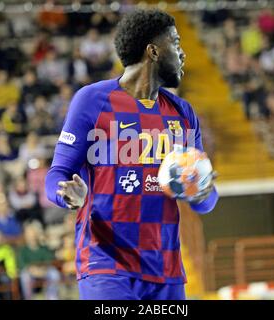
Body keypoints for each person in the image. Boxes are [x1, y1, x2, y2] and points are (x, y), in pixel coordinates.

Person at [45, 9, 218, 300]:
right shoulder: (92, 101)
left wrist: (202, 192)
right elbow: (57, 175)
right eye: (175, 43)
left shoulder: (183, 113)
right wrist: (66, 195)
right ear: (152, 51)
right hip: (106, 264)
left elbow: (207, 202)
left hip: (167, 270)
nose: (182, 54)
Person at [18, 223, 60, 300]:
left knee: (54, 274)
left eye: (33, 233)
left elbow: (49, 260)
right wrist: (32, 270)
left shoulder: (44, 248)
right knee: (24, 276)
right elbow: (22, 264)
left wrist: (43, 269)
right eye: (29, 234)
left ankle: (52, 297)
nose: (32, 236)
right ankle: (29, 298)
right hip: (30, 272)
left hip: (44, 271)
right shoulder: (23, 250)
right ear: (26, 235)